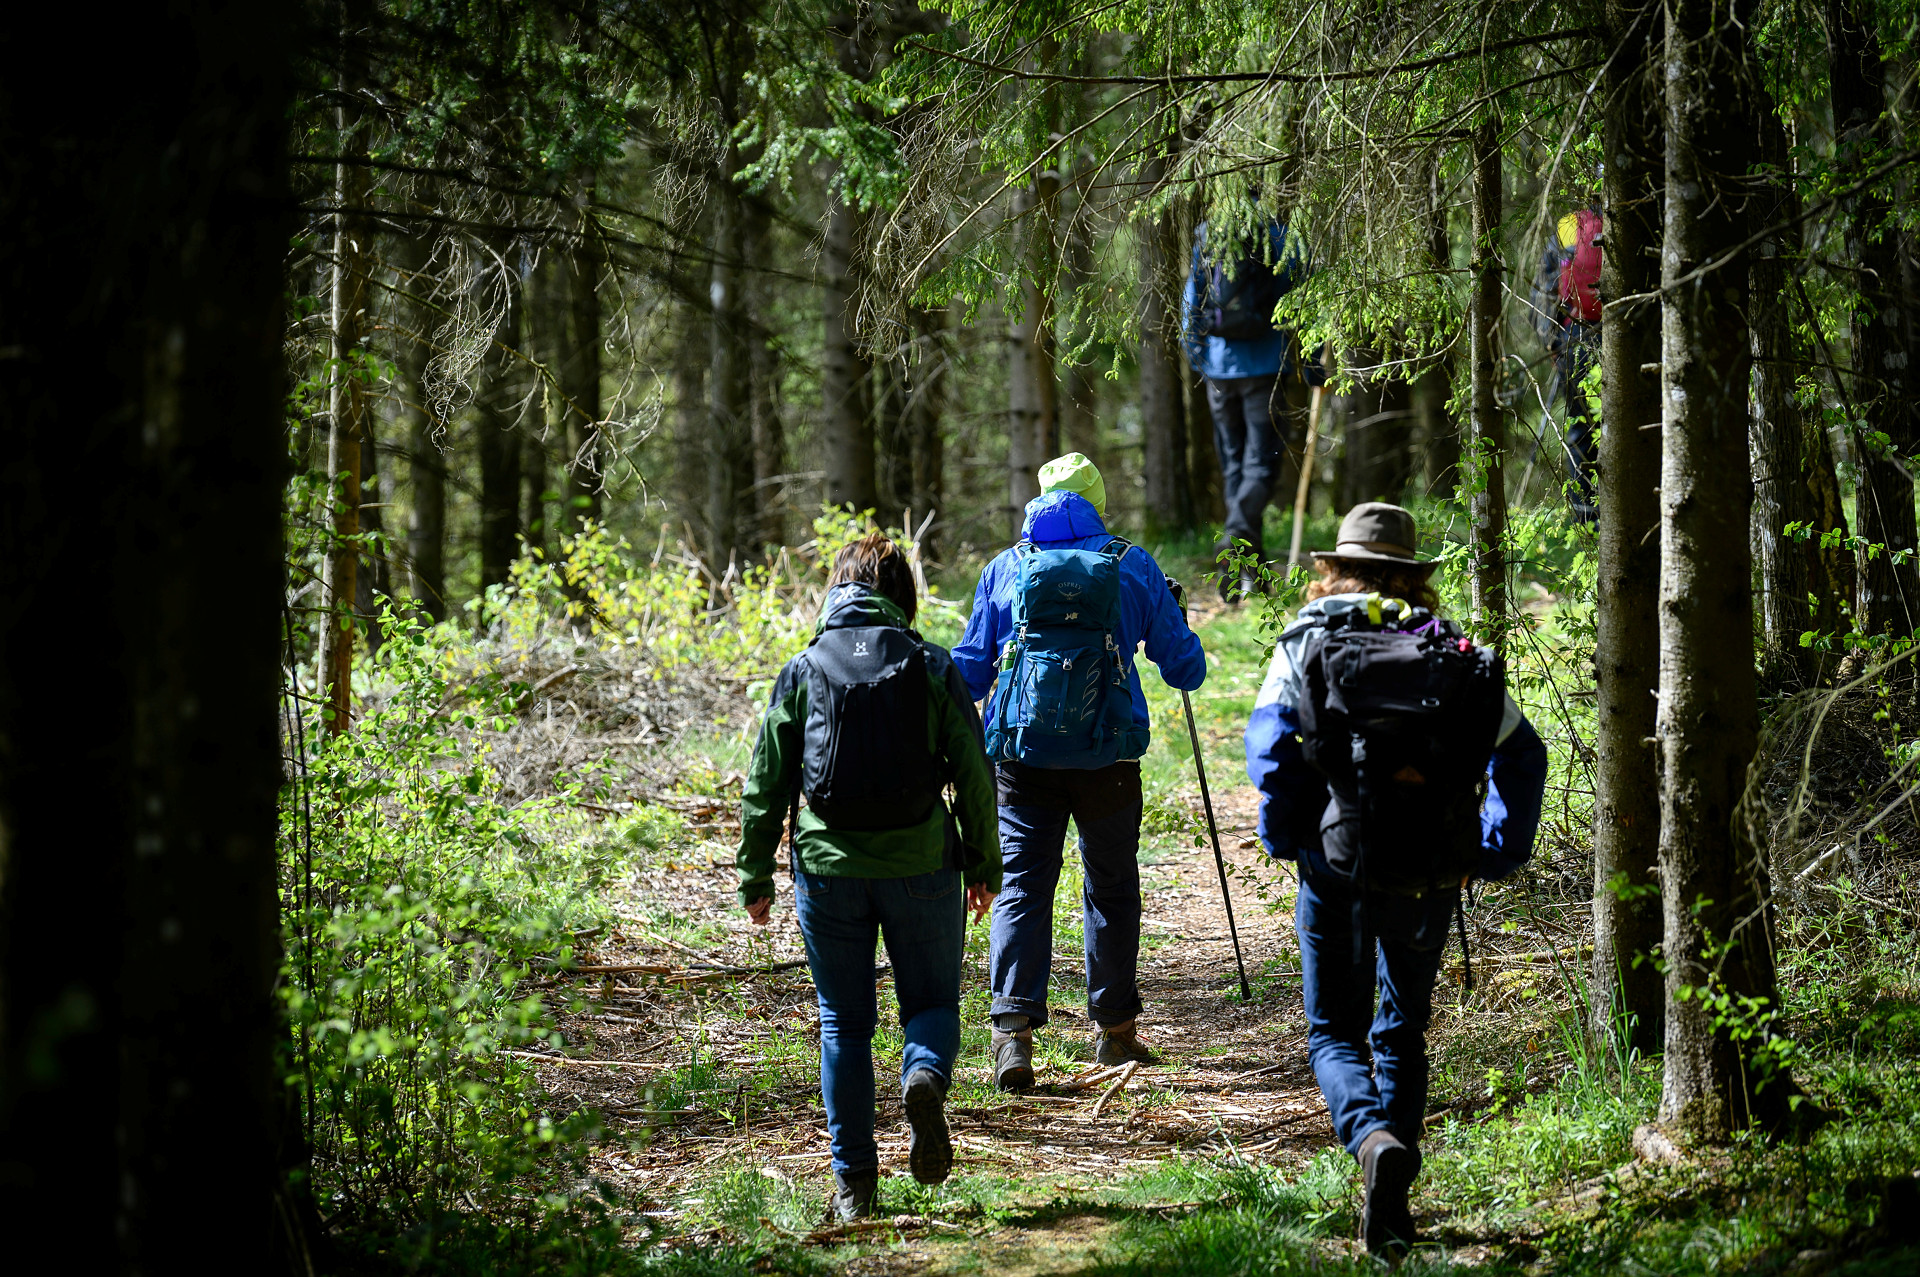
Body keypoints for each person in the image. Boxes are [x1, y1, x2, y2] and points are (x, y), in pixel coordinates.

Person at [1243, 502, 1548, 1257]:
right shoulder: (1451, 650)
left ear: (1333, 569)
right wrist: (1492, 850)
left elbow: (1271, 750)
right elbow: (1523, 753)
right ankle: (1393, 1206)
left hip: (1339, 861)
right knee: (1403, 1028)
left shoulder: (1307, 641)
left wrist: (1290, 838)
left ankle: (1372, 1140)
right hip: (1435, 864)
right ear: (1413, 575)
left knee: (1333, 1031)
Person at [736, 533, 1001, 1222]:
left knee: (844, 1022)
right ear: (902, 596)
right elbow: (975, 773)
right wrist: (983, 863)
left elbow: (766, 780)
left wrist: (755, 873)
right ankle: (923, 1073)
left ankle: (854, 1187)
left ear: (835, 591)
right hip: (923, 864)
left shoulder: (802, 669)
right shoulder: (931, 664)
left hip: (828, 871)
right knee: (932, 1001)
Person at [952, 453, 1207, 1089]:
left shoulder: (1005, 568)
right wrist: (1171, 612)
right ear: (1098, 501)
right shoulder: (1132, 564)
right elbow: (1187, 670)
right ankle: (1116, 1031)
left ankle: (1013, 1034)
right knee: (1112, 886)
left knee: (1022, 885)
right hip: (1108, 756)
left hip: (1022, 755)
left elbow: (971, 673)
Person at [1182, 216, 1323, 601]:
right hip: (1265, 367)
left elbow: (1192, 299)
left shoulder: (1209, 232)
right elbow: (1306, 302)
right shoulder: (1281, 235)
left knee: (1235, 470)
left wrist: (1199, 358)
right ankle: (1233, 542)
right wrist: (1313, 367)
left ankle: (1246, 578)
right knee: (1261, 466)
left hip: (1219, 368)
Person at [1530, 205, 1602, 522]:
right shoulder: (1639, 215)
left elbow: (1543, 291)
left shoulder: (1569, 225)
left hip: (1576, 338)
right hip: (1627, 333)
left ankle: (1586, 520)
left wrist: (1552, 343)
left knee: (1580, 429)